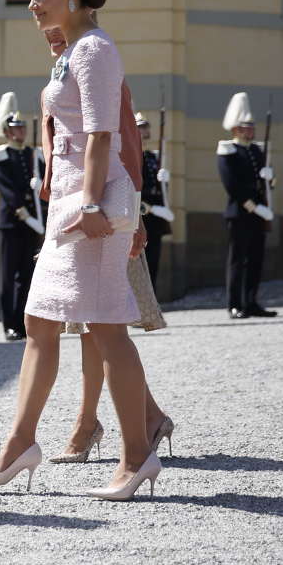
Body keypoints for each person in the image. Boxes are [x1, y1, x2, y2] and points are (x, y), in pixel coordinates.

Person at [0, 0, 161, 501]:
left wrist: (96, 205)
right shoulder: (71, 49)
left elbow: (103, 134)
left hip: (90, 204)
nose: (31, 5)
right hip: (70, 203)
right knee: (39, 323)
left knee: (106, 329)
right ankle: (19, 445)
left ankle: (137, 455)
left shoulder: (95, 49)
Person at [34, 30, 175, 464]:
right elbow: (56, 164)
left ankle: (92, 424)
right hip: (69, 219)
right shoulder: (53, 86)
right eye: (50, 34)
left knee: (100, 327)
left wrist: (132, 218)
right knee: (90, 328)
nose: (54, 36)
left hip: (106, 217)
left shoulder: (99, 70)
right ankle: (143, 418)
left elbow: (126, 145)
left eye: (61, 29)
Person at [0, 92, 44, 340]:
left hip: (35, 222)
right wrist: (24, 213)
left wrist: (40, 185)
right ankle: (9, 324)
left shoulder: (34, 154)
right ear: (7, 131)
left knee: (28, 275)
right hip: (13, 222)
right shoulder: (0, 154)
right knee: (9, 276)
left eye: (22, 127)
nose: (21, 131)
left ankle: (24, 323)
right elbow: (6, 189)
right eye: (16, 128)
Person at [217, 92, 277, 319]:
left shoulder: (256, 150)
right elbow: (231, 185)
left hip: (259, 213)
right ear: (235, 129)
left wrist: (270, 178)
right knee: (237, 259)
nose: (251, 131)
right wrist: (253, 206)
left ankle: (251, 301)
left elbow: (267, 183)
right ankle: (235, 304)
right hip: (240, 212)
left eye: (252, 127)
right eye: (246, 127)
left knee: (255, 259)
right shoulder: (228, 150)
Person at [136, 111, 174, 289]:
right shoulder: (131, 157)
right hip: (141, 216)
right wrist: (149, 209)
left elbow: (158, 191)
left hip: (156, 219)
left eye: (146, 126)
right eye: (141, 127)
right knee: (139, 265)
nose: (145, 130)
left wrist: (164, 182)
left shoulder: (152, 157)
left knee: (153, 263)